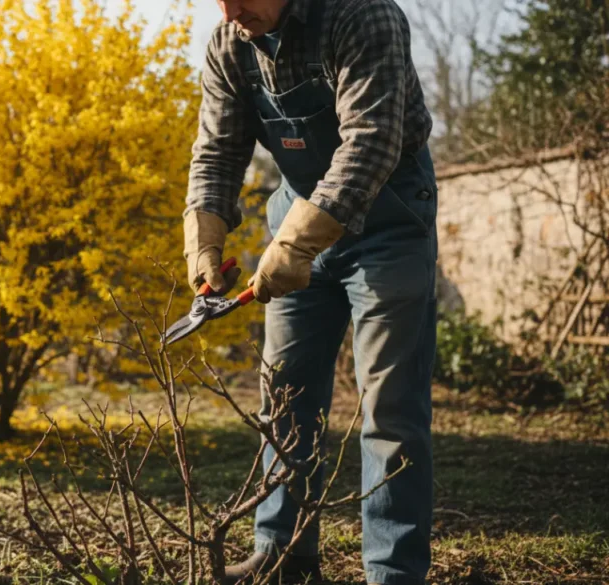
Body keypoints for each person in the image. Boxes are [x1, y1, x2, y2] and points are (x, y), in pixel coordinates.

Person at [183, 0, 438, 583]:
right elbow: (217, 152)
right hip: (296, 217)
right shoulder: (230, 43)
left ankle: (393, 573)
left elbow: (371, 142)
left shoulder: (362, 15)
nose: (230, 10)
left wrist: (296, 246)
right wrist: (205, 246)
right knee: (285, 398)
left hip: (389, 220)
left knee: (389, 408)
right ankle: (281, 556)